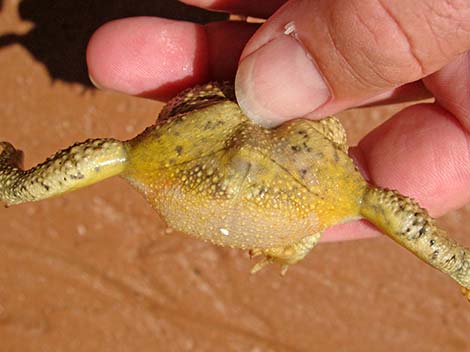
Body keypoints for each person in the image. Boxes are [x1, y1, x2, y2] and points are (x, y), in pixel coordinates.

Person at [86, 0, 470, 241]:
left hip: (202, 142)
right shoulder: (348, 190)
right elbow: (392, 212)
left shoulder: (136, 156)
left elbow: (112, 155)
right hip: (275, 156)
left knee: (118, 155)